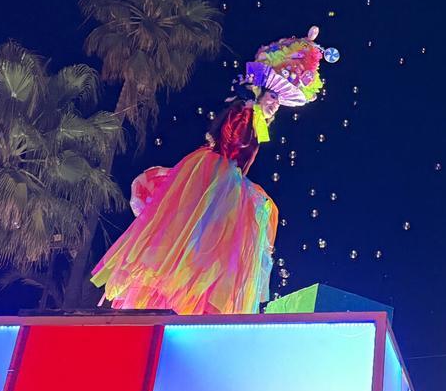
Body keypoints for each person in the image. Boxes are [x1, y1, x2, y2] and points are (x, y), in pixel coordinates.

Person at [91, 26, 337, 314]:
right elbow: (232, 145)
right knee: (194, 232)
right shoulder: (244, 113)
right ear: (260, 93)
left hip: (229, 179)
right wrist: (249, 104)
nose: (274, 105)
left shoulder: (254, 118)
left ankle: (193, 299)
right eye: (271, 98)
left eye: (278, 102)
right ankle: (174, 290)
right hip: (215, 175)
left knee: (214, 247)